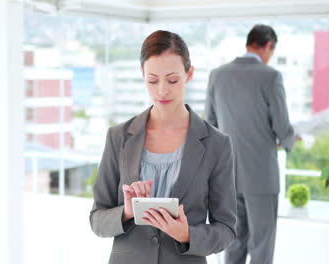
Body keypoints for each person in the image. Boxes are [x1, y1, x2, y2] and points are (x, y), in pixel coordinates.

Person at [90, 30, 237, 264]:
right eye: (152, 80)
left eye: (172, 80)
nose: (162, 90)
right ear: (142, 75)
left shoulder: (217, 144)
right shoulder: (118, 137)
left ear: (189, 74)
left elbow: (227, 230)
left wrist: (188, 234)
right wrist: (127, 212)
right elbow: (97, 219)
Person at [205, 24, 297, 264]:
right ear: (268, 46)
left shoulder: (217, 75)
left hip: (228, 175)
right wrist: (290, 140)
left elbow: (210, 124)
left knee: (234, 242)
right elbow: (281, 125)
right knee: (262, 243)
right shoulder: (271, 76)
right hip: (261, 176)